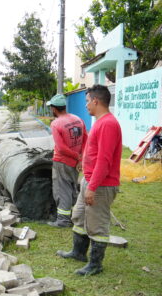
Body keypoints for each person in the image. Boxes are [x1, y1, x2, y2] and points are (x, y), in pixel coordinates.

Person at [56, 85, 122, 276]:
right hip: (90, 180)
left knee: (97, 224)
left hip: (100, 185)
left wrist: (92, 187)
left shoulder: (108, 124)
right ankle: (78, 252)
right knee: (79, 216)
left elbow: (105, 160)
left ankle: (95, 264)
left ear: (96, 100)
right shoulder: (100, 122)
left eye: (86, 101)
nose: (85, 105)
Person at [46, 93, 87, 228]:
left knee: (62, 190)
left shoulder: (56, 124)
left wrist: (77, 156)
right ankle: (76, 214)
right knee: (72, 187)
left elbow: (62, 148)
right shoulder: (78, 119)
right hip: (75, 163)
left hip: (62, 162)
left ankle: (63, 220)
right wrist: (80, 157)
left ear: (54, 108)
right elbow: (86, 139)